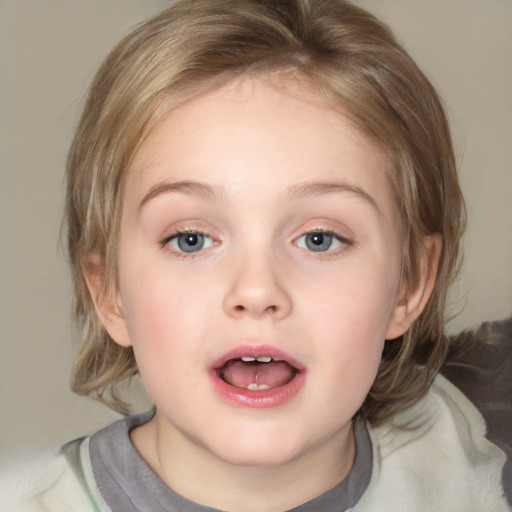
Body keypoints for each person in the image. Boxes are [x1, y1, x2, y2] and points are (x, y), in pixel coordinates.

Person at [0, 0, 509, 510]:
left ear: (409, 283)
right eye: (190, 239)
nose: (257, 290)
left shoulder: (477, 457)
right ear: (108, 291)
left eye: (319, 239)